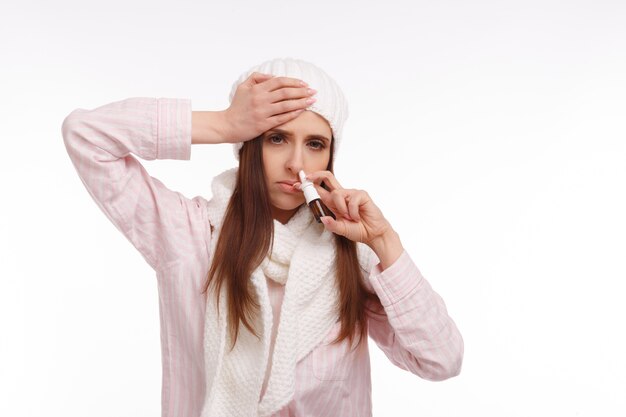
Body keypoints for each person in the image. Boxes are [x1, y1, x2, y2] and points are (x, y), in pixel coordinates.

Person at [62, 57, 464, 417]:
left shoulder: (350, 255)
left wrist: (384, 242)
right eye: (276, 138)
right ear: (248, 145)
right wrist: (223, 123)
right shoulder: (188, 234)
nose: (295, 164)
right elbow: (86, 136)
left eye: (315, 144)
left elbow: (441, 360)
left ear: (330, 156)